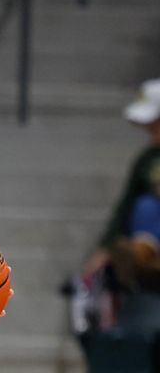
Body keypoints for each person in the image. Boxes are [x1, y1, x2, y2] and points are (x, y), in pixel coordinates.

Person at [83, 78, 160, 291]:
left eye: (154, 125)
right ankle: (142, 252)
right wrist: (105, 247)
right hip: (148, 236)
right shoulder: (148, 159)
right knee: (145, 205)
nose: (149, 131)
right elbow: (126, 204)